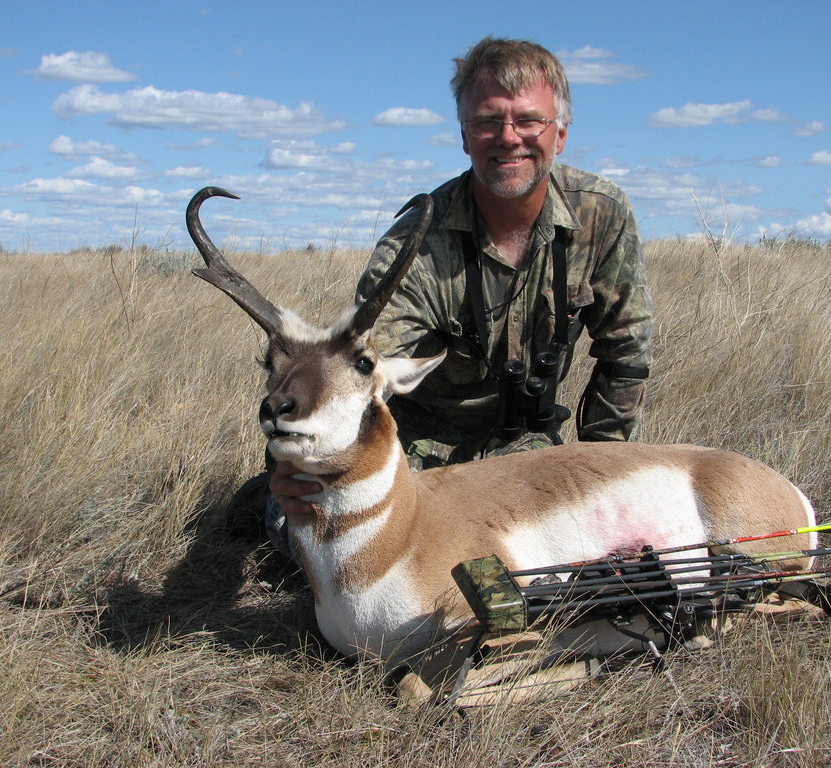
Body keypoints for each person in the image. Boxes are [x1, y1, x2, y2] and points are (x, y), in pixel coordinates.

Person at [266, 36, 652, 531]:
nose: (509, 137)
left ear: (560, 134)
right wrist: (295, 468)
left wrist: (609, 476)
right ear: (465, 136)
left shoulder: (602, 212)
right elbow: (354, 374)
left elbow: (626, 356)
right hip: (420, 454)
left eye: (529, 120)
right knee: (310, 532)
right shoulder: (412, 246)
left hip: (530, 451)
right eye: (488, 121)